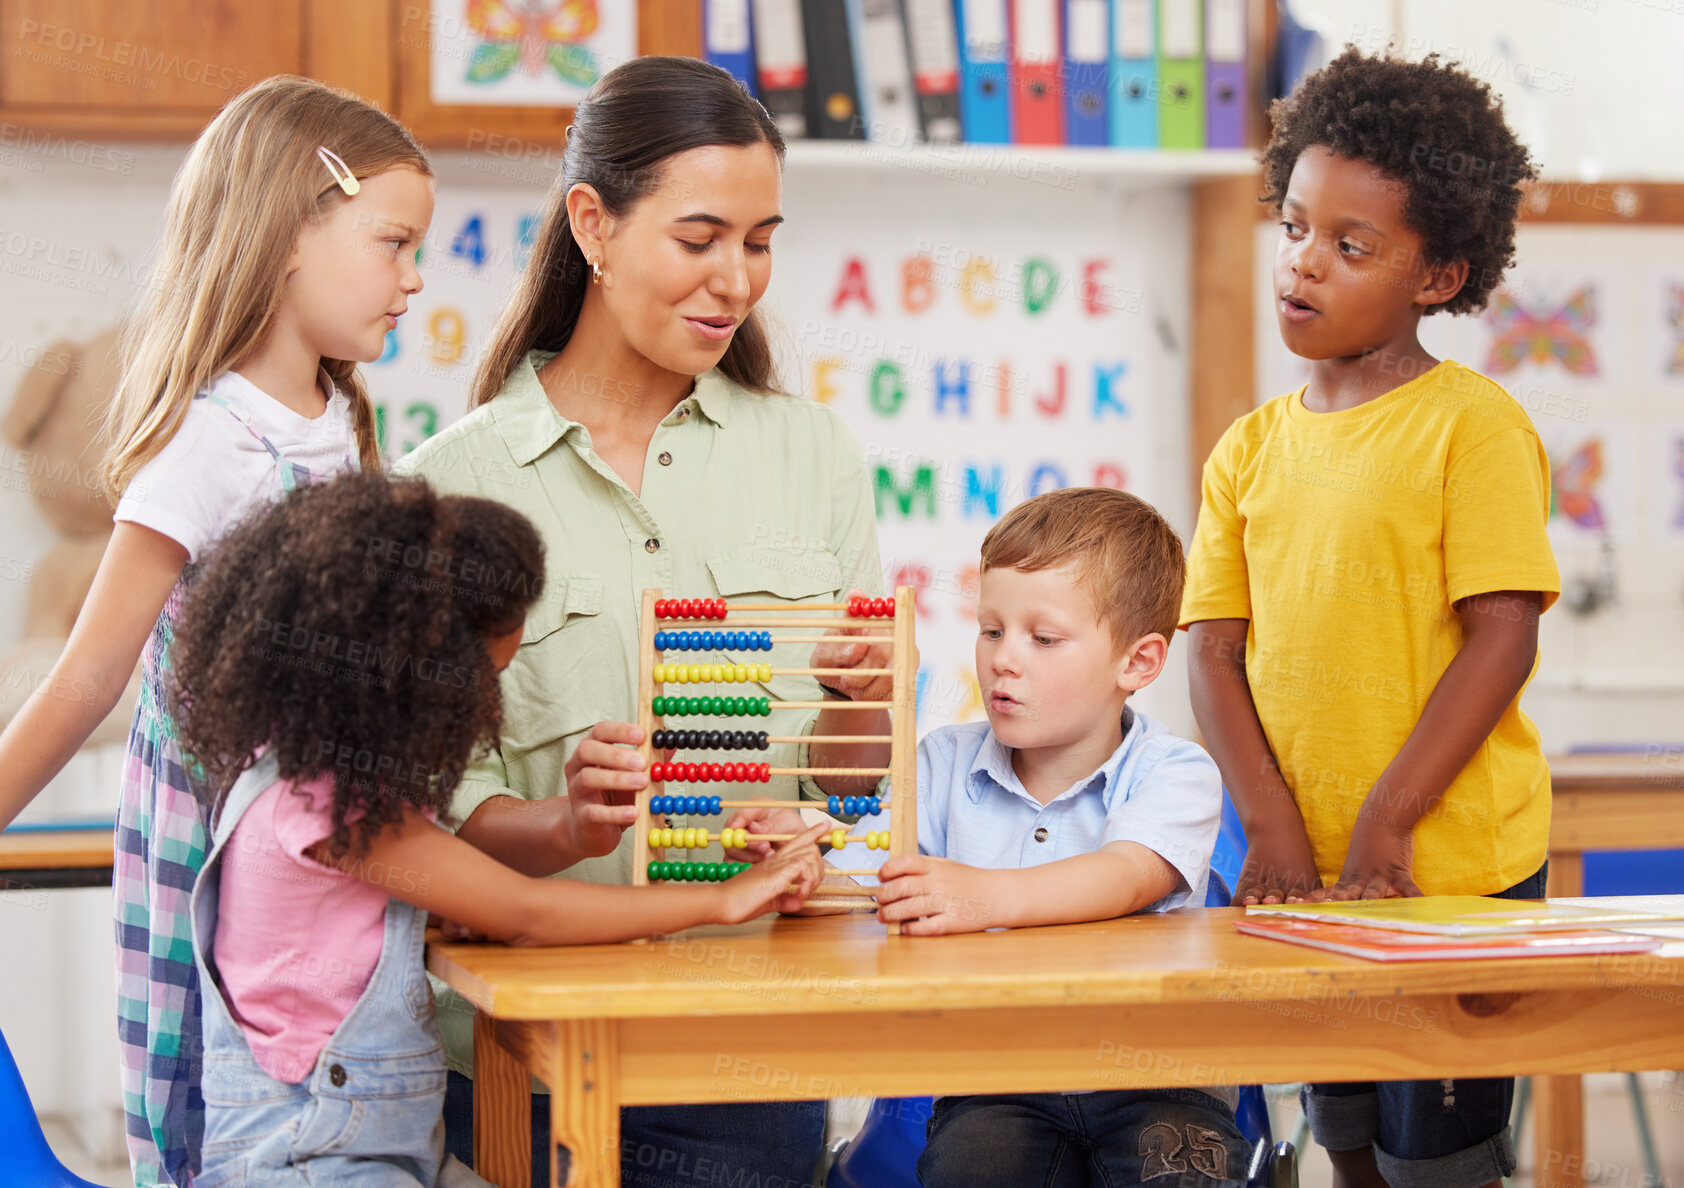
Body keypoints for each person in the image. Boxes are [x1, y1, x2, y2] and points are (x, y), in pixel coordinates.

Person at [393, 56, 890, 1187]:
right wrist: (566, 820)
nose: (736, 280)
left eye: (759, 241)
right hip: (529, 1058)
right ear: (594, 226)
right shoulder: (450, 486)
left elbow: (846, 790)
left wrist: (865, 708)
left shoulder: (811, 453)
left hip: (749, 1059)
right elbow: (443, 815)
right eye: (700, 237)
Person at [0, 76, 433, 1185]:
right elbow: (91, 671)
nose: (413, 278)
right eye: (392, 242)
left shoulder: (345, 424)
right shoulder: (208, 443)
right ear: (292, 227)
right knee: (225, 1108)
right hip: (225, 845)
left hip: (333, 859)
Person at [168, 472, 826, 1186]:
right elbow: (525, 913)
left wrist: (561, 839)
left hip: (369, 1143)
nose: (486, 705)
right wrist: (724, 898)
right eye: (483, 678)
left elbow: (398, 910)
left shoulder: (297, 766)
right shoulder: (333, 806)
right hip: (308, 1161)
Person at [1181, 48, 1559, 1188]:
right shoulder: (1247, 447)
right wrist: (1273, 828)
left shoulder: (1471, 428)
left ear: (1436, 275)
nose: (1303, 263)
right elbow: (1211, 653)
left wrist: (1389, 823)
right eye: (1295, 226)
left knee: (1435, 1162)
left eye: (1350, 247)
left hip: (1447, 874)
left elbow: (1503, 633)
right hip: (1304, 872)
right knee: (1341, 1139)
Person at [731, 488, 1248, 1187]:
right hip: (996, 1082)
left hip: (1163, 1081)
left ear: (1139, 662)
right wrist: (797, 856)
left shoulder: (1174, 771)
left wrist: (987, 897)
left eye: (1044, 638)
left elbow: (1129, 874)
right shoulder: (941, 765)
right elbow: (865, 874)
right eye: (992, 630)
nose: (1004, 660)